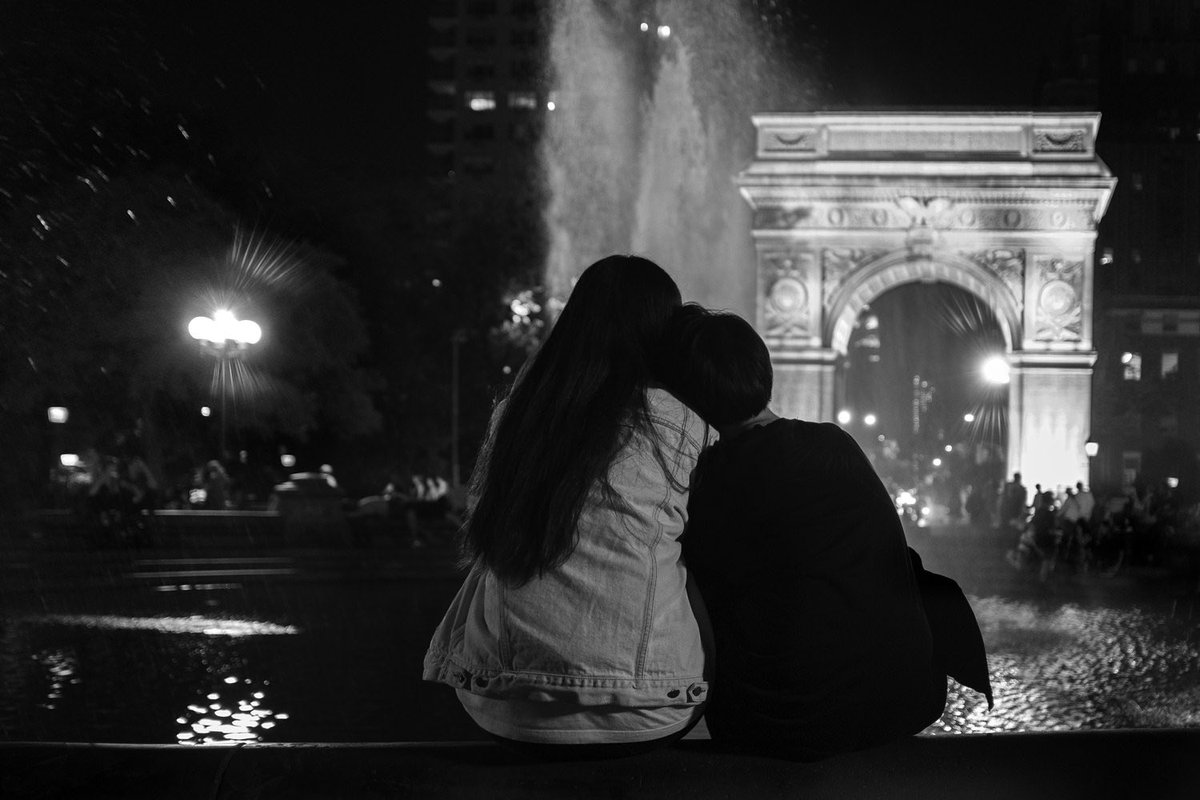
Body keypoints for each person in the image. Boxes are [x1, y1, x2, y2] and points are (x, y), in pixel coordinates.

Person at [664, 305, 991, 761]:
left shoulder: (711, 479)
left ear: (687, 398)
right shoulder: (835, 444)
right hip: (903, 701)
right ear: (763, 372)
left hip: (774, 727)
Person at [423, 255, 711, 759]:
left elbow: (482, 521)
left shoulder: (514, 415)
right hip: (649, 709)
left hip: (505, 705)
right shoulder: (685, 423)